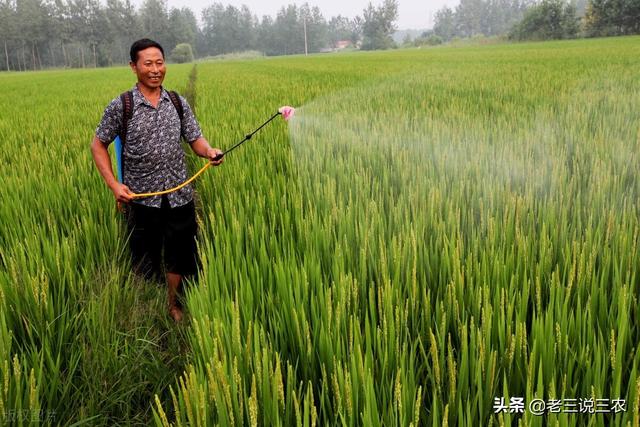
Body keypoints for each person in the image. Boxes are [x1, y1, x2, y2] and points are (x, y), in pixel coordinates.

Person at [90, 38, 223, 322]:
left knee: (180, 252)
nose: (155, 69)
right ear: (133, 66)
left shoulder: (176, 101)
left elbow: (195, 138)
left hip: (179, 195)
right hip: (141, 200)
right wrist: (115, 185)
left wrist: (209, 151)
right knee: (145, 257)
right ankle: (146, 305)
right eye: (147, 63)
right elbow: (98, 144)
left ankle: (173, 305)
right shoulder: (122, 105)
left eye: (159, 63)